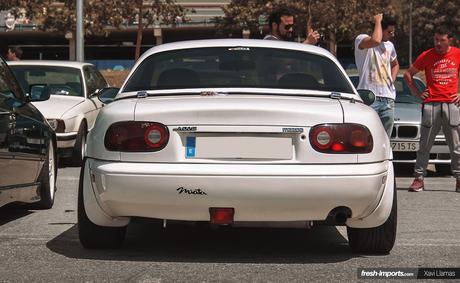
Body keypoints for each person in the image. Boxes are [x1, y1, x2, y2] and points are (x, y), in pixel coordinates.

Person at [405, 27, 460, 192]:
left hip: (452, 105)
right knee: (424, 145)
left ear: (449, 40)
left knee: (456, 146)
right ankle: (419, 179)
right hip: (431, 104)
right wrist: (418, 92)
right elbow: (408, 74)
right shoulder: (427, 55)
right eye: (436, 39)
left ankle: (459, 179)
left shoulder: (457, 53)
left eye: (441, 40)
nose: (438, 43)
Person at [354, 14, 399, 138]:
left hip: (388, 99)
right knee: (366, 138)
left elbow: (395, 64)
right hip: (369, 98)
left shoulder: (390, 46)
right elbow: (375, 41)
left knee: (385, 139)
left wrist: (392, 80)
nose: (392, 35)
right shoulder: (361, 39)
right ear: (379, 28)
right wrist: (378, 21)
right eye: (389, 32)